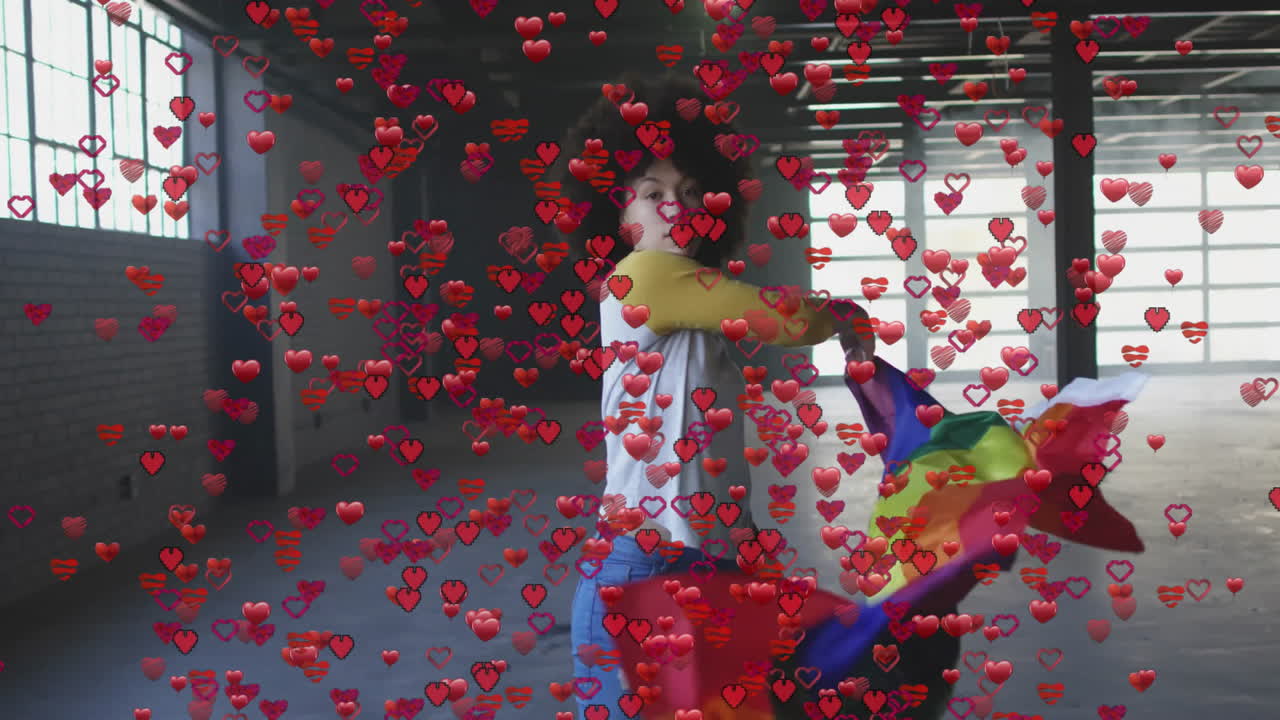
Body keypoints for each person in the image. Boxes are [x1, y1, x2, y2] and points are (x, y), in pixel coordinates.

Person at [559, 71, 871, 720]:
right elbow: (787, 319)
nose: (676, 208)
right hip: (642, 572)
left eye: (691, 192)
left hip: (700, 563)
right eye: (652, 194)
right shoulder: (644, 276)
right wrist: (846, 314)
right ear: (619, 216)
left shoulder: (686, 299)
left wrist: (744, 543)